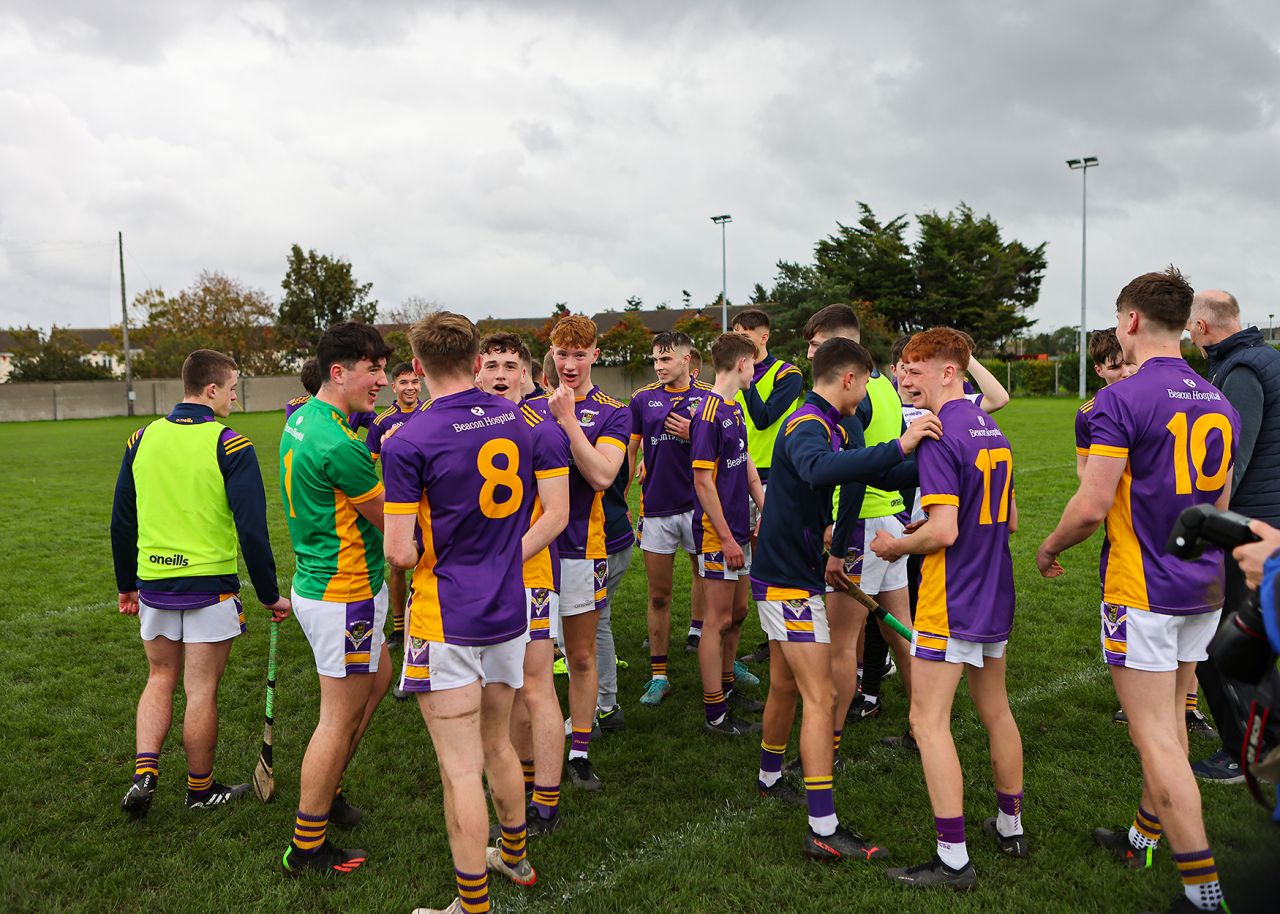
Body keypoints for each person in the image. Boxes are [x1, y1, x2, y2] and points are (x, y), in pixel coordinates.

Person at [1038, 268, 1236, 914]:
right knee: (1171, 722)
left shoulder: (1119, 401)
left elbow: (1092, 505)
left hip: (1142, 590)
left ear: (1129, 322)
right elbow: (1220, 508)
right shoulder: (1218, 399)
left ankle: (1202, 892)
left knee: (1155, 736)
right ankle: (1143, 836)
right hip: (1201, 587)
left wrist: (1049, 547)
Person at [751, 337, 939, 861]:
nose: (867, 395)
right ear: (848, 379)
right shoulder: (806, 423)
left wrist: (929, 457)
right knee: (823, 696)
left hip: (791, 573)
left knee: (786, 685)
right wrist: (900, 445)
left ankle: (769, 777)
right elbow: (817, 470)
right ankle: (822, 828)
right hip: (787, 580)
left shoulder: (833, 423)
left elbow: (874, 472)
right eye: (865, 384)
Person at [385, 312, 538, 914]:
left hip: (445, 616)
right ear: (478, 363)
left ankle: (472, 905)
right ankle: (516, 855)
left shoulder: (411, 438)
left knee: (458, 768)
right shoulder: (520, 421)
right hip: (507, 603)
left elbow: (399, 551)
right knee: (497, 742)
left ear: (417, 369)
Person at [871, 328, 1026, 891]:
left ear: (948, 372)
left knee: (926, 721)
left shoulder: (935, 435)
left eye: (915, 369)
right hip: (994, 586)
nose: (903, 378)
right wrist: (930, 528)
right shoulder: (993, 428)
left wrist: (895, 545)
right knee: (996, 709)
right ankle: (1011, 825)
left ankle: (953, 859)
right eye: (902, 369)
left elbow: (944, 530)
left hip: (950, 595)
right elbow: (1004, 520)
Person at [111, 349, 290, 818]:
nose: (236, 396)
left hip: (154, 582)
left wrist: (125, 584)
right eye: (233, 387)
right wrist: (270, 594)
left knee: (159, 677)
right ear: (211, 390)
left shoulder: (141, 438)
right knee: (200, 689)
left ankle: (144, 774)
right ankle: (199, 790)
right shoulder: (231, 444)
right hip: (210, 587)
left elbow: (121, 521)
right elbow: (253, 529)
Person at [279, 322, 394, 877]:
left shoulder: (305, 417)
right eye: (371, 368)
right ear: (338, 372)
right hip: (345, 593)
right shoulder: (338, 443)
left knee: (378, 677)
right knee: (336, 718)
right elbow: (394, 527)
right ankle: (307, 844)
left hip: (325, 583)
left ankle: (332, 789)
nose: (382, 379)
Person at [803, 305, 914, 756]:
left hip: (862, 527)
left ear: (837, 342)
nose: (810, 353)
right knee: (899, 630)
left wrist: (839, 538)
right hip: (891, 521)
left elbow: (852, 475)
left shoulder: (853, 394)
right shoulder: (884, 385)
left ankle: (826, 745)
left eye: (815, 344)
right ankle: (922, 724)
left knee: (841, 644)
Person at [477, 333, 572, 835]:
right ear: (476, 371)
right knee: (507, 690)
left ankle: (547, 804)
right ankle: (524, 782)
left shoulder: (543, 429)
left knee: (535, 687)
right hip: (481, 580)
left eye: (509, 365)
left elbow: (557, 515)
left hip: (528, 575)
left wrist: (503, 559)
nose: (499, 374)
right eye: (490, 363)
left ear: (527, 375)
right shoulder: (466, 425)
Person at [1186, 289, 1280, 782]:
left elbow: (1233, 458)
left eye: (1189, 327)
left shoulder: (1242, 369)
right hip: (1266, 522)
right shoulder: (1261, 359)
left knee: (1222, 641)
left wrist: (1211, 521)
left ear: (1204, 327)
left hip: (1251, 526)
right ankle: (1265, 740)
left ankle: (1245, 748)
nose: (1187, 335)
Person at [546, 315, 631, 790]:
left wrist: (568, 421)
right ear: (552, 354)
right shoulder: (528, 406)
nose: (571, 363)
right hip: (534, 553)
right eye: (563, 354)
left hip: (582, 549)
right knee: (533, 661)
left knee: (579, 656)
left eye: (580, 354)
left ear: (596, 354)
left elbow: (602, 475)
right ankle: (533, 749)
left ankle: (579, 750)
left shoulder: (614, 411)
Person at [627, 331, 713, 707]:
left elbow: (727, 448)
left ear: (687, 359)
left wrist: (695, 432)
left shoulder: (710, 397)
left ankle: (715, 655)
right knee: (659, 595)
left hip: (700, 507)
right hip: (657, 509)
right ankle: (659, 674)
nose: (660, 366)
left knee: (709, 583)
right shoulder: (642, 399)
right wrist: (619, 497)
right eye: (656, 360)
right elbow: (631, 449)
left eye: (666, 359)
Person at [690, 332, 767, 735]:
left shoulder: (734, 410)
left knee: (737, 614)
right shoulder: (708, 415)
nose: (754, 371)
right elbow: (703, 484)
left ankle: (727, 686)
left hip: (739, 528)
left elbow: (748, 464)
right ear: (740, 364)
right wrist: (725, 538)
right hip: (718, 535)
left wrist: (764, 507)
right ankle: (714, 714)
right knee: (716, 621)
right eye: (752, 364)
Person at [732, 307, 805, 666]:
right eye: (735, 336)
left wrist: (745, 382)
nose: (739, 344)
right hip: (735, 473)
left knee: (773, 556)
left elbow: (762, 419)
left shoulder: (787, 374)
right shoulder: (734, 371)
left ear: (764, 337)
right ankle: (756, 633)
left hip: (775, 476)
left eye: (746, 336)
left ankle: (782, 636)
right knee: (740, 558)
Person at [367, 362, 423, 651]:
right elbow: (367, 466)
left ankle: (424, 624)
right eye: (404, 382)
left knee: (428, 563)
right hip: (399, 506)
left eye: (414, 382)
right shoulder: (382, 422)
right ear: (394, 386)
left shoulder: (431, 412)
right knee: (398, 564)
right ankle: (400, 629)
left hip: (429, 505)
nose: (410, 387)